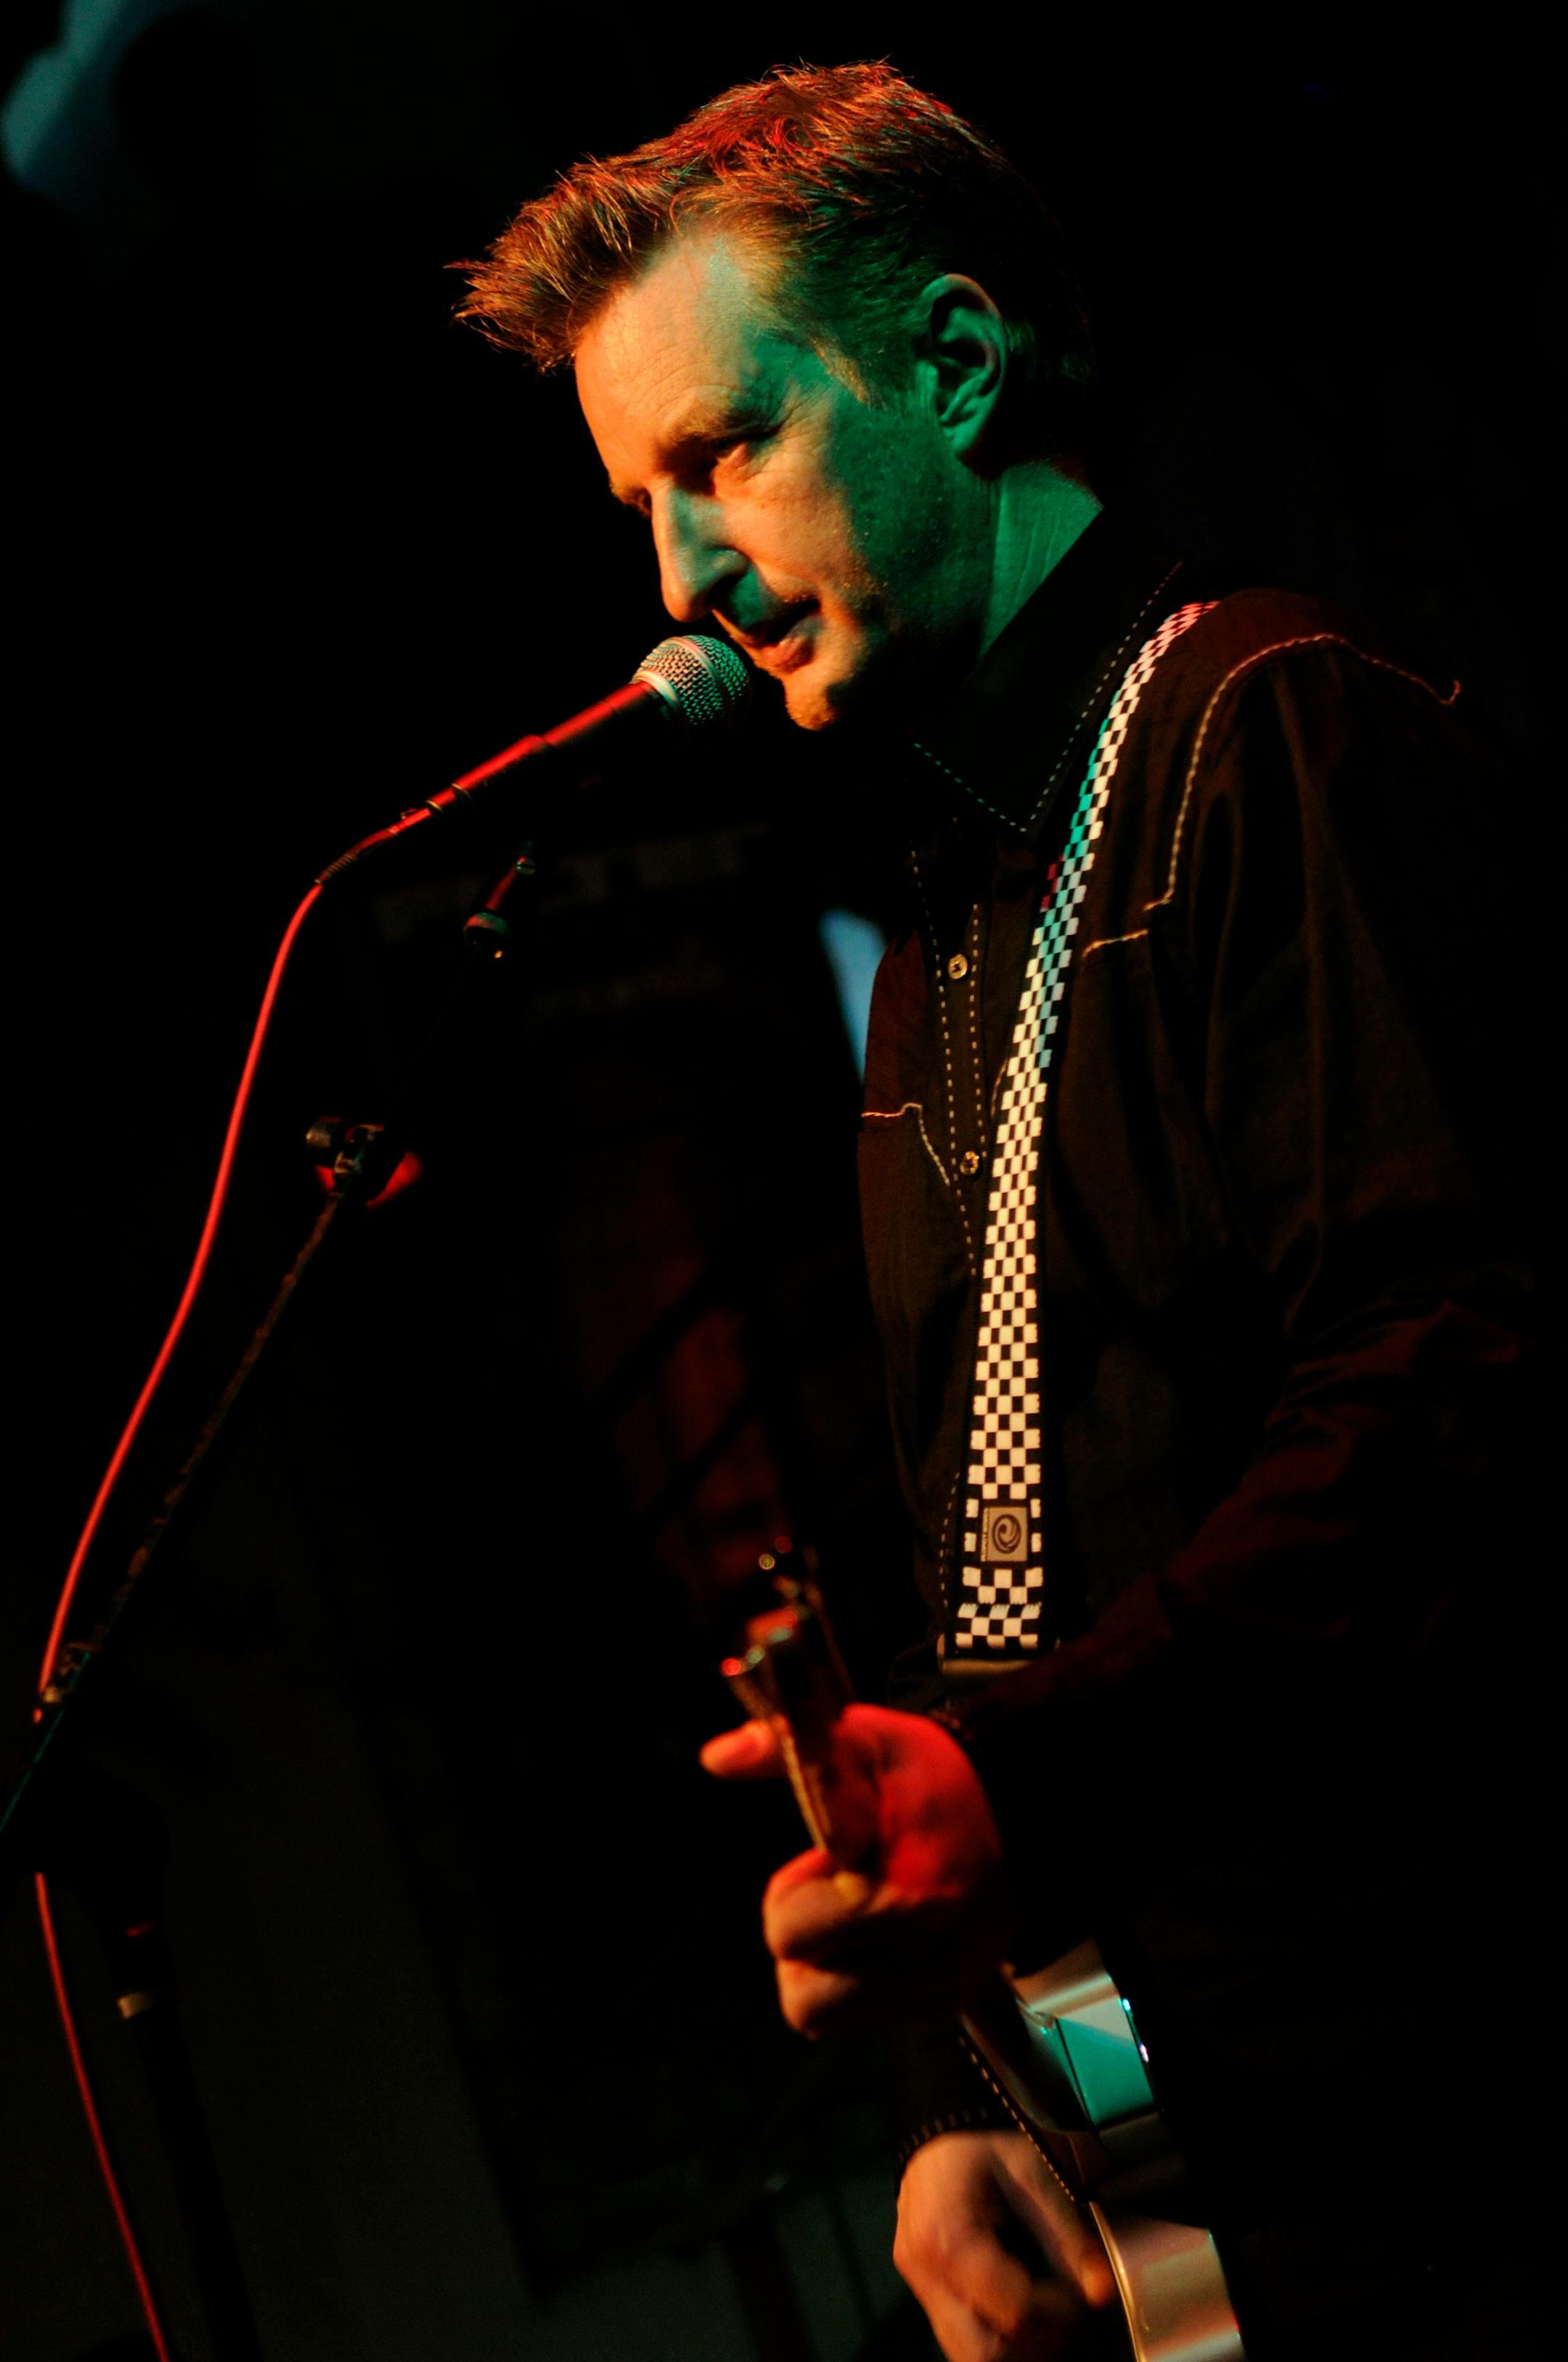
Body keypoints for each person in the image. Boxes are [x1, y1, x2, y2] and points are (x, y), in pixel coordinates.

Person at [461, 62, 1546, 2361]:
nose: (677, 580)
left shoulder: (1271, 737)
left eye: (721, 451)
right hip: (1259, 2181)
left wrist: (1018, 1780)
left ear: (957, 367)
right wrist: (1007, 2090)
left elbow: (1453, 1396)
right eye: (636, 498)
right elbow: (1047, 1580)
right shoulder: (944, 947)